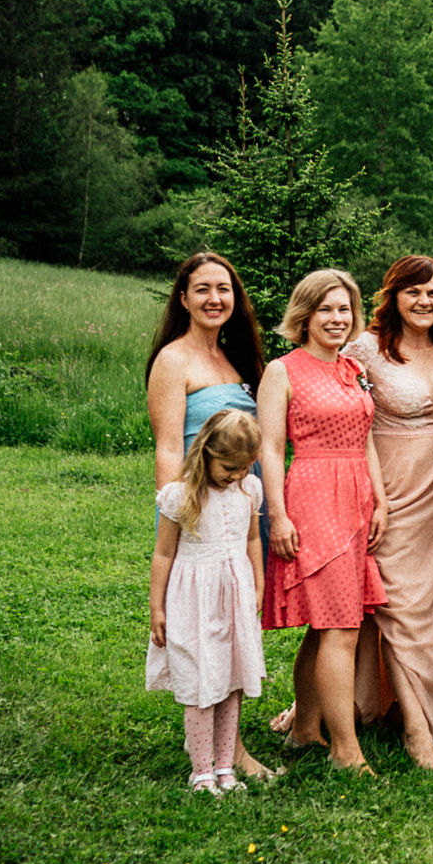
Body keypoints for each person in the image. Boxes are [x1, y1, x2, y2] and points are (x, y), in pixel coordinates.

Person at [144, 251, 276, 782]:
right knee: (207, 628)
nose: (215, 298)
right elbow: (167, 446)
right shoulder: (173, 360)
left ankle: (226, 741)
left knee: (235, 621)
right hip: (199, 508)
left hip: (241, 502)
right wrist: (179, 510)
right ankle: (229, 752)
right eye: (202, 289)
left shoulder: (237, 358)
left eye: (224, 289)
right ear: (183, 298)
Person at [341, 256, 433, 771]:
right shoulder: (365, 348)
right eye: (413, 292)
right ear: (393, 296)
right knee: (395, 603)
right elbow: (344, 416)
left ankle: (416, 706)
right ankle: (417, 730)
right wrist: (368, 492)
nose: (424, 301)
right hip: (390, 489)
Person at [259, 268, 389, 775]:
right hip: (313, 496)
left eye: (344, 310)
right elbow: (271, 448)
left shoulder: (353, 369)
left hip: (356, 498)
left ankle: (305, 730)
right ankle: (345, 750)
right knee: (340, 626)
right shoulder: (283, 370)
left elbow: (367, 438)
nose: (337, 318)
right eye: (326, 309)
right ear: (305, 315)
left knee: (326, 625)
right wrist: (278, 516)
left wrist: (380, 501)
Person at [147, 410, 268, 795]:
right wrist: (157, 607)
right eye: (228, 468)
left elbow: (252, 539)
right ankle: (202, 771)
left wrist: (258, 584)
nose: (236, 476)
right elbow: (163, 554)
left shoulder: (249, 490)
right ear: (206, 453)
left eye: (244, 468)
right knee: (201, 682)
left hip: (234, 595)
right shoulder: (179, 495)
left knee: (233, 680)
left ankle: (225, 766)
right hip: (194, 599)